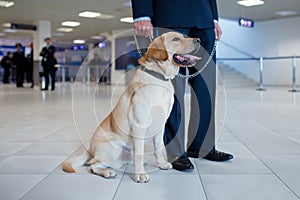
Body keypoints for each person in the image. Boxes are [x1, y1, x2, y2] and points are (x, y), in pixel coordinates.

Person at [131, 0, 233, 171]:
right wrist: (142, 13)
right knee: (174, 90)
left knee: (206, 88)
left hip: (204, 16)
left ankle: (202, 146)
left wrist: (214, 18)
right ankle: (176, 152)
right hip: (170, 13)